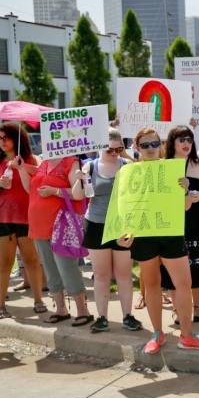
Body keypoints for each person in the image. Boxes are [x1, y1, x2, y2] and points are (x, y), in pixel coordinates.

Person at [115, 128, 199, 352]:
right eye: (145, 145)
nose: (151, 149)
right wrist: (122, 232)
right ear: (137, 148)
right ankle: (157, 334)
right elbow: (123, 206)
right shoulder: (130, 172)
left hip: (171, 234)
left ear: (161, 146)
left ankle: (186, 336)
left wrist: (186, 191)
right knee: (151, 285)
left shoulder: (172, 170)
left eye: (154, 144)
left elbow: (186, 207)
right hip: (144, 236)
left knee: (183, 285)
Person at [73, 128, 141, 333]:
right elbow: (78, 195)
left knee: (124, 274)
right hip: (96, 224)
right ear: (101, 147)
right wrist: (80, 178)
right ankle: (102, 317)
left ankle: (128, 316)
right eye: (110, 149)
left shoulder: (127, 165)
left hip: (123, 226)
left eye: (118, 149)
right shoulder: (90, 166)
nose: (114, 153)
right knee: (101, 275)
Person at [18, 155, 92, 326]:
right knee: (50, 270)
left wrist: (54, 191)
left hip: (61, 225)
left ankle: (83, 310)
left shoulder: (71, 162)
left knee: (67, 268)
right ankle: (61, 309)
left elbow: (78, 193)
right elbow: (31, 189)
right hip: (39, 225)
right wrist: (22, 169)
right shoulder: (44, 163)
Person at [0, 123, 46, 319]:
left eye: (6, 138)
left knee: (32, 261)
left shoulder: (31, 159)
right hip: (1, 218)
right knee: (3, 263)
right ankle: (0, 306)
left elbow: (42, 175)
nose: (1, 142)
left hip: (27, 218)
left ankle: (38, 300)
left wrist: (21, 167)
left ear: (17, 139)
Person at [164, 125, 199, 324]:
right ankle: (177, 309)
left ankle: (196, 307)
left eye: (189, 139)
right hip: (172, 219)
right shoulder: (165, 164)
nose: (186, 143)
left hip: (197, 218)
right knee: (173, 264)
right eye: (181, 139)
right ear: (172, 142)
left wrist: (198, 196)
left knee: (198, 262)